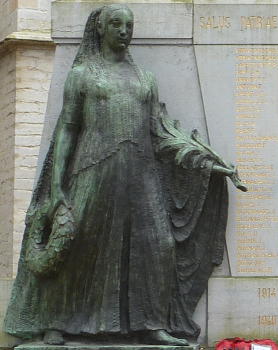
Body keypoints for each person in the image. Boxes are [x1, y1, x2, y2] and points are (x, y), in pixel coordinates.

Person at [4, 4, 243, 346]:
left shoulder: (145, 79)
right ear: (100, 29)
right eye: (116, 23)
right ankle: (55, 321)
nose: (124, 30)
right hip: (92, 171)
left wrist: (205, 163)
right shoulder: (83, 74)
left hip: (141, 175)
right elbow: (67, 132)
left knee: (156, 247)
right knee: (78, 246)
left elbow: (159, 133)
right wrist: (57, 186)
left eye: (128, 24)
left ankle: (152, 323)